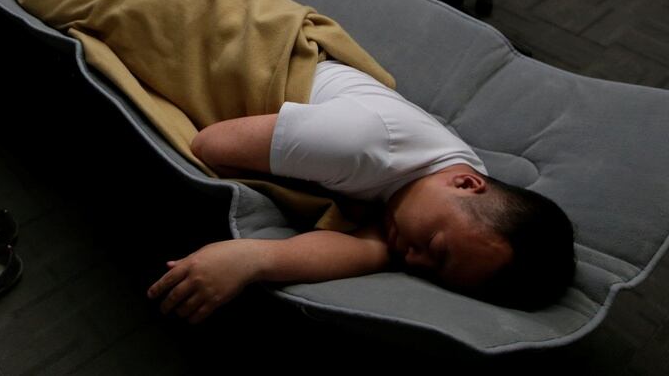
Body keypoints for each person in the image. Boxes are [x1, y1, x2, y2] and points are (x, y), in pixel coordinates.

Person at [147, 59, 575, 322]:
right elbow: (210, 146)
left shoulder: (450, 184)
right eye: (434, 247)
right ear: (466, 184)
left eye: (431, 270)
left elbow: (369, 250)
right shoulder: (361, 145)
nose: (412, 258)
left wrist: (252, 257)